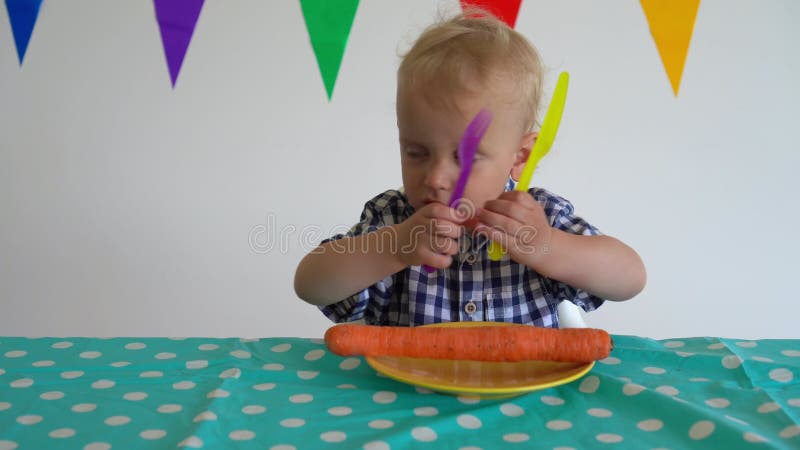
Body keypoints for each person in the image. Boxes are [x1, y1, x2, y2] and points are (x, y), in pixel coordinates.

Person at [294, 10, 646, 327]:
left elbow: (630, 277)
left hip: (526, 394)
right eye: (416, 152)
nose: (434, 178)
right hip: (408, 397)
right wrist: (394, 248)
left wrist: (547, 247)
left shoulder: (537, 217)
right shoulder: (393, 218)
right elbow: (310, 284)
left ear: (521, 156)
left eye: (464, 158)